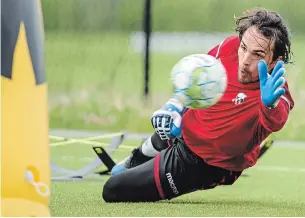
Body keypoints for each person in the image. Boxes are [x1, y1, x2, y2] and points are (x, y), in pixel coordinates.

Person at [102, 8, 294, 202]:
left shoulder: (276, 92)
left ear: (274, 62)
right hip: (184, 132)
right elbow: (197, 81)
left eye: (258, 55)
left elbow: (276, 120)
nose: (245, 61)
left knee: (112, 190)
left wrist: (269, 106)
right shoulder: (228, 48)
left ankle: (142, 165)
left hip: (202, 164)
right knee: (167, 125)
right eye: (243, 47)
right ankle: (139, 157)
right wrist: (173, 107)